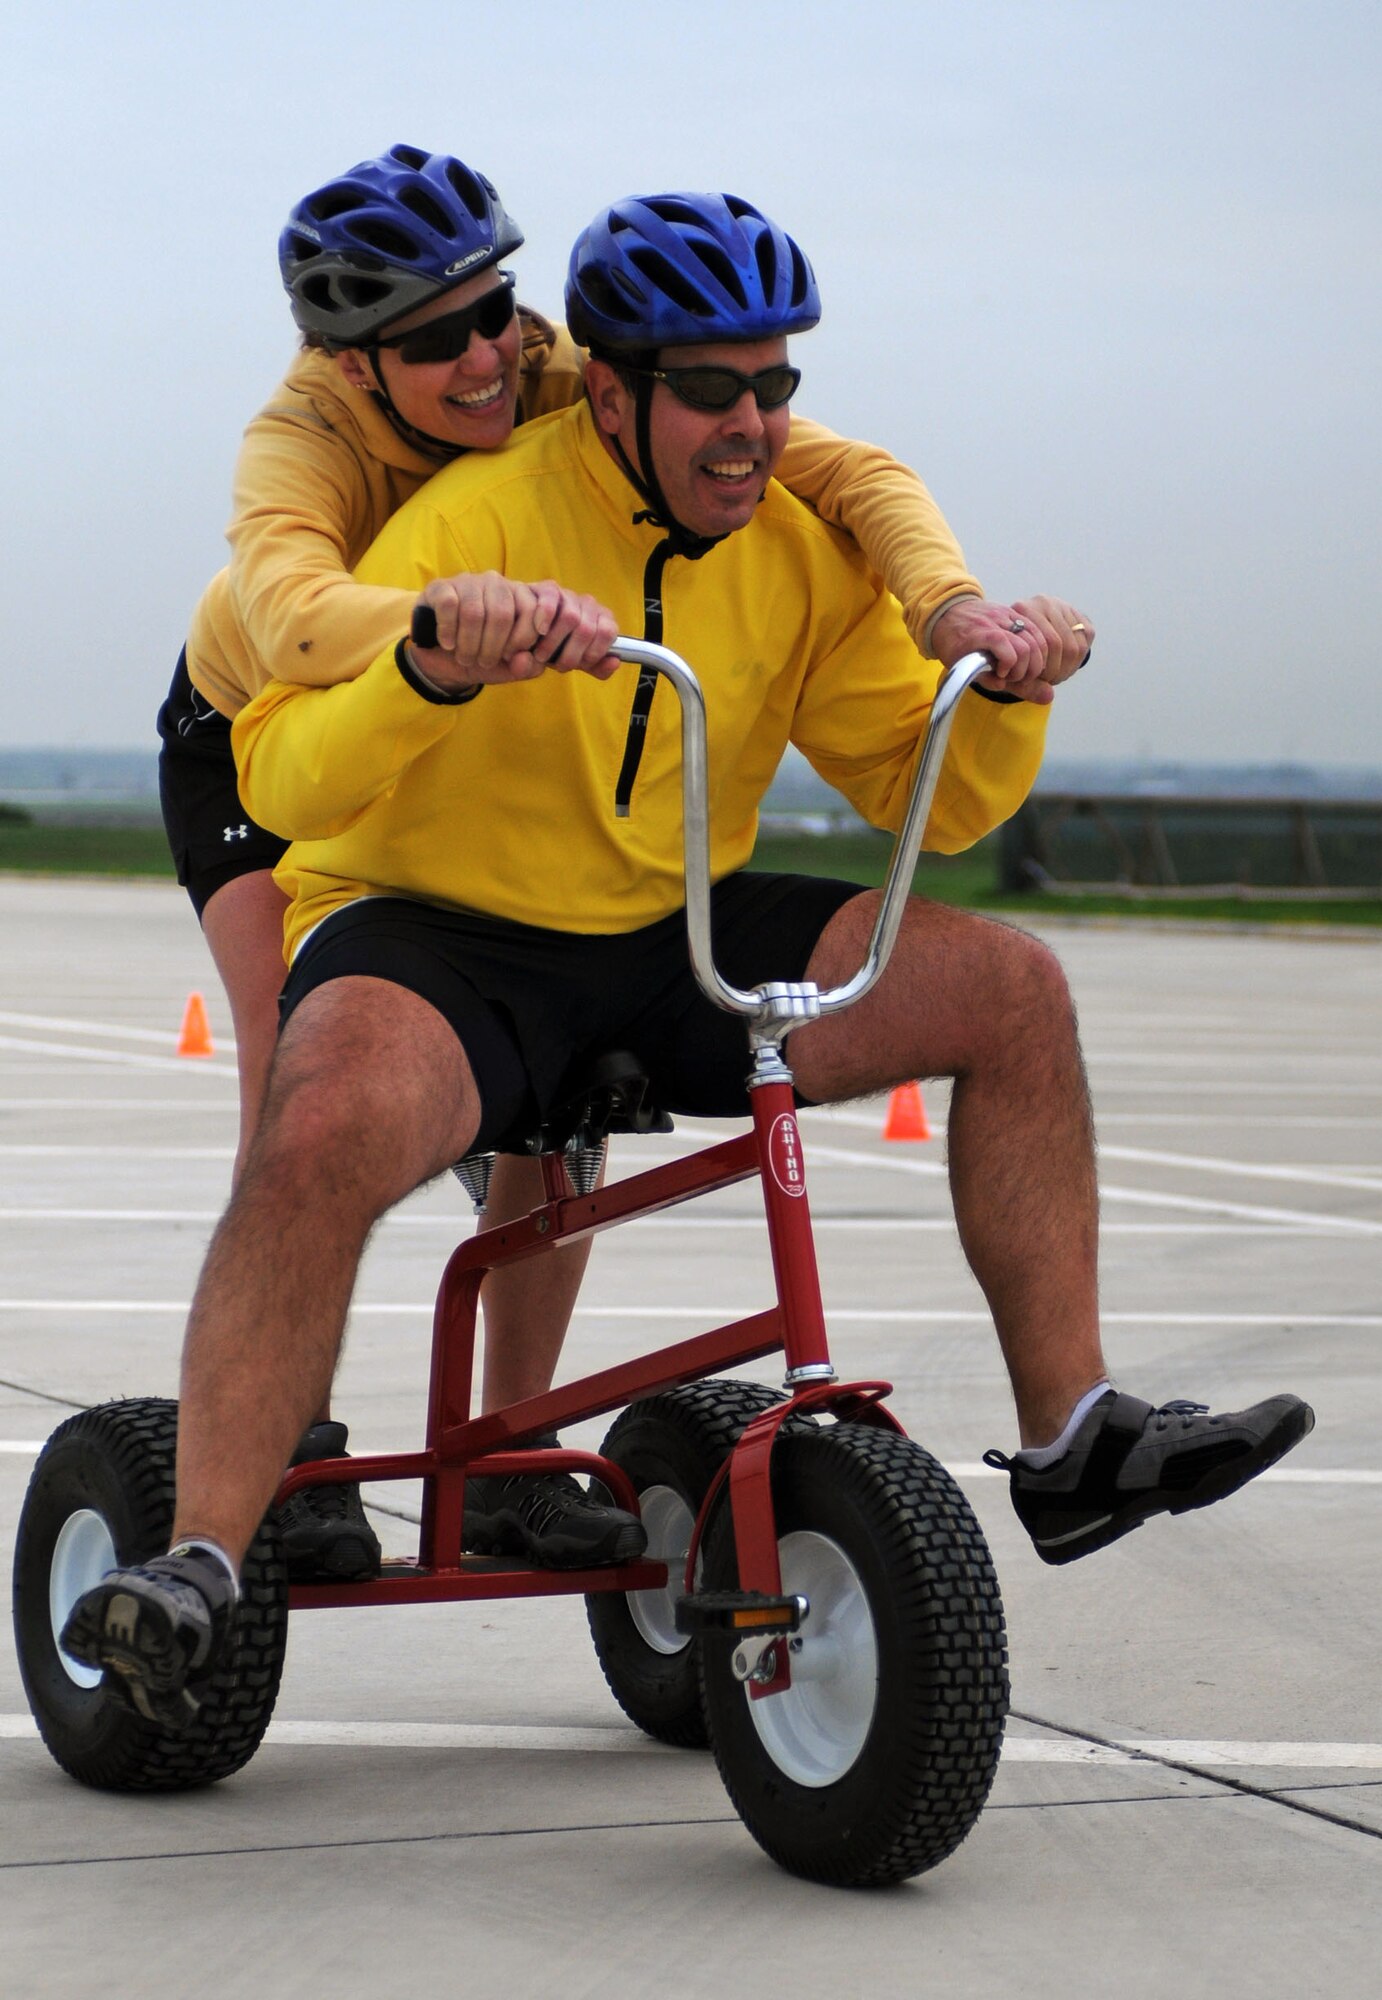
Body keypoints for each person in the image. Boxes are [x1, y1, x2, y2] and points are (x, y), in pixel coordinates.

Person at [69, 191, 1312, 1728]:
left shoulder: (796, 537)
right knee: (310, 1120)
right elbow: (286, 786)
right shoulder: (460, 516)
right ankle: (207, 1549)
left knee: (1012, 987)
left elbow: (951, 796)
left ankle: (1070, 1443)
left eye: (774, 385)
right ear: (612, 391)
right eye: (713, 393)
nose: (753, 426)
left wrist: (994, 669)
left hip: (672, 922)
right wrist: (433, 663)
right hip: (449, 931)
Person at [157, 145, 1048, 1583]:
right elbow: (298, 613)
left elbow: (837, 466)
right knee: (295, 1081)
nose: (482, 358)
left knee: (548, 1126)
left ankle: (506, 1455)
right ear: (348, 358)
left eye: (492, 311)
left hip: (451, 689)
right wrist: (435, 629)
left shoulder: (571, 371)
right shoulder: (298, 442)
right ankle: (296, 1457)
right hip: (270, 717)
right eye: (432, 340)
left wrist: (947, 603)